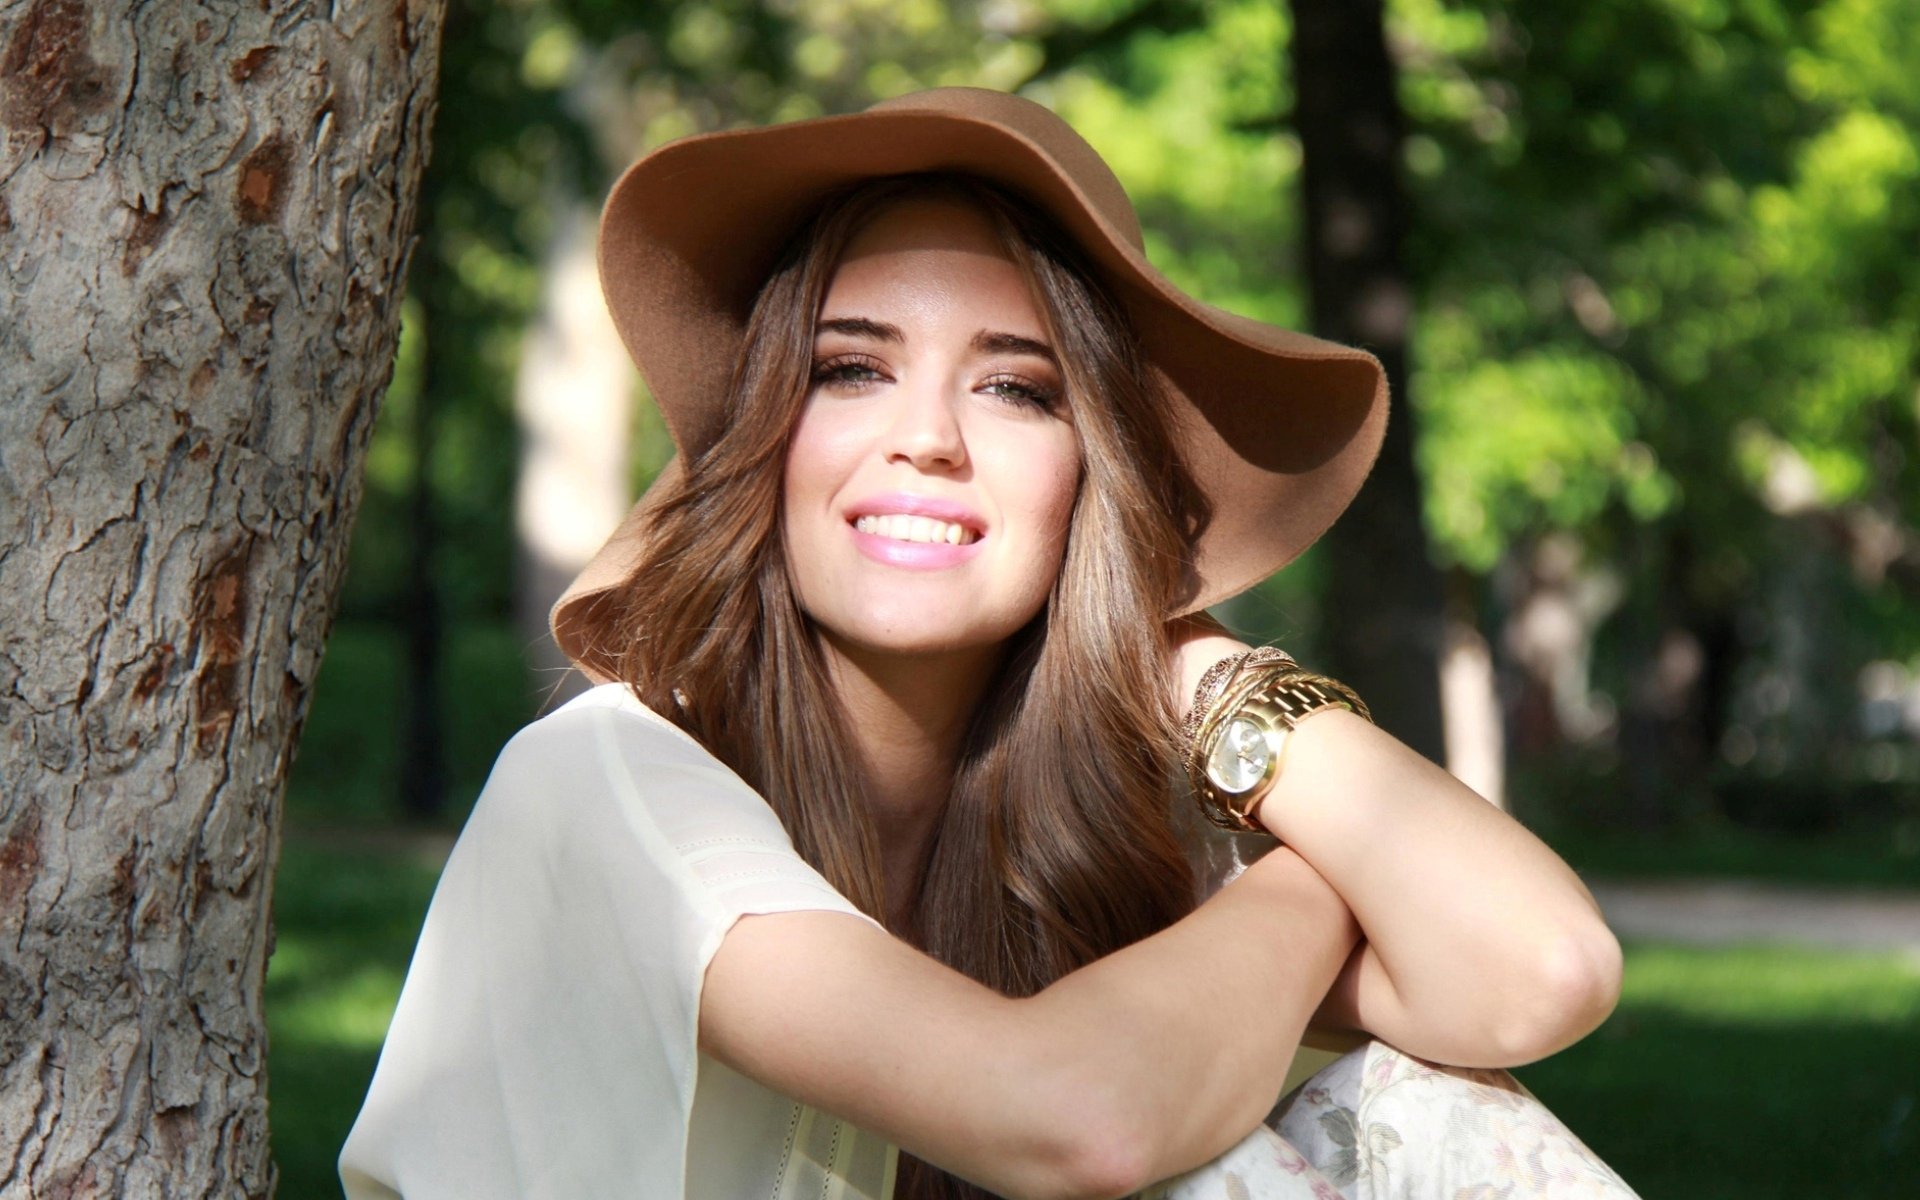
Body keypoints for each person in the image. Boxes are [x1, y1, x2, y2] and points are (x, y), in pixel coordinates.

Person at [340, 87, 1636, 1200]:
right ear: (768, 446)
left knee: (1426, 1110)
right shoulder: (605, 786)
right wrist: (1319, 887)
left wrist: (1186, 665)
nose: (930, 438)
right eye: (852, 369)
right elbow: (1080, 1118)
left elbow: (1542, 968)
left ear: (1094, 480)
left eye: (1016, 388)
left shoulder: (1083, 840)